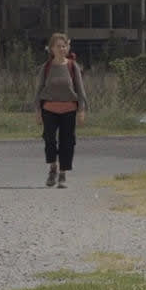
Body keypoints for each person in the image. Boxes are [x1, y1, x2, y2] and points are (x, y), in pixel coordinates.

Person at [35, 32, 87, 187]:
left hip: (69, 109)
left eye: (64, 46)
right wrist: (37, 111)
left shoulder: (72, 66)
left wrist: (82, 109)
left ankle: (63, 174)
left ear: (68, 47)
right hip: (49, 109)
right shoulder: (46, 67)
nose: (61, 49)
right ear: (51, 48)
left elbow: (80, 89)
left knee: (67, 142)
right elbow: (38, 90)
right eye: (58, 46)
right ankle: (53, 168)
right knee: (49, 140)